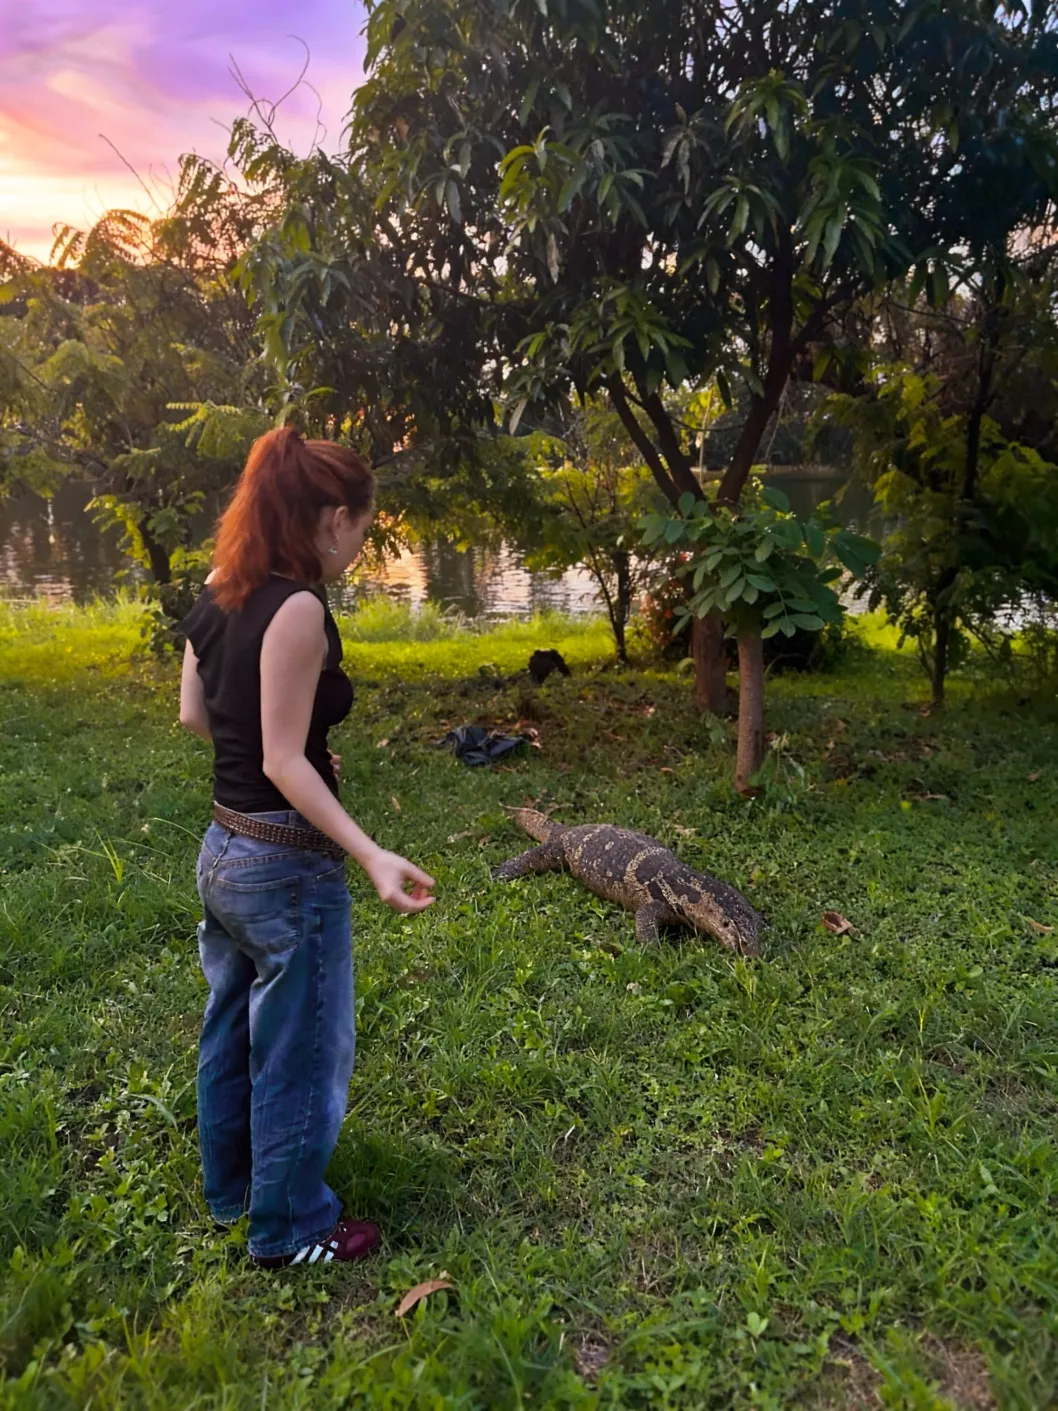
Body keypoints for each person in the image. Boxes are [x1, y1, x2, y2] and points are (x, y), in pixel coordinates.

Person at [178, 426, 435, 1269]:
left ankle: (232, 1191)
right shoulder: (297, 608)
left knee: (231, 1027)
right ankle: (289, 1229)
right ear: (330, 518)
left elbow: (198, 713)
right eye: (362, 525)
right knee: (301, 1048)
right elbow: (282, 760)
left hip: (223, 847)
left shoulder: (221, 586)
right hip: (283, 865)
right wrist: (369, 852)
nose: (361, 543)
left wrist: (295, 745)